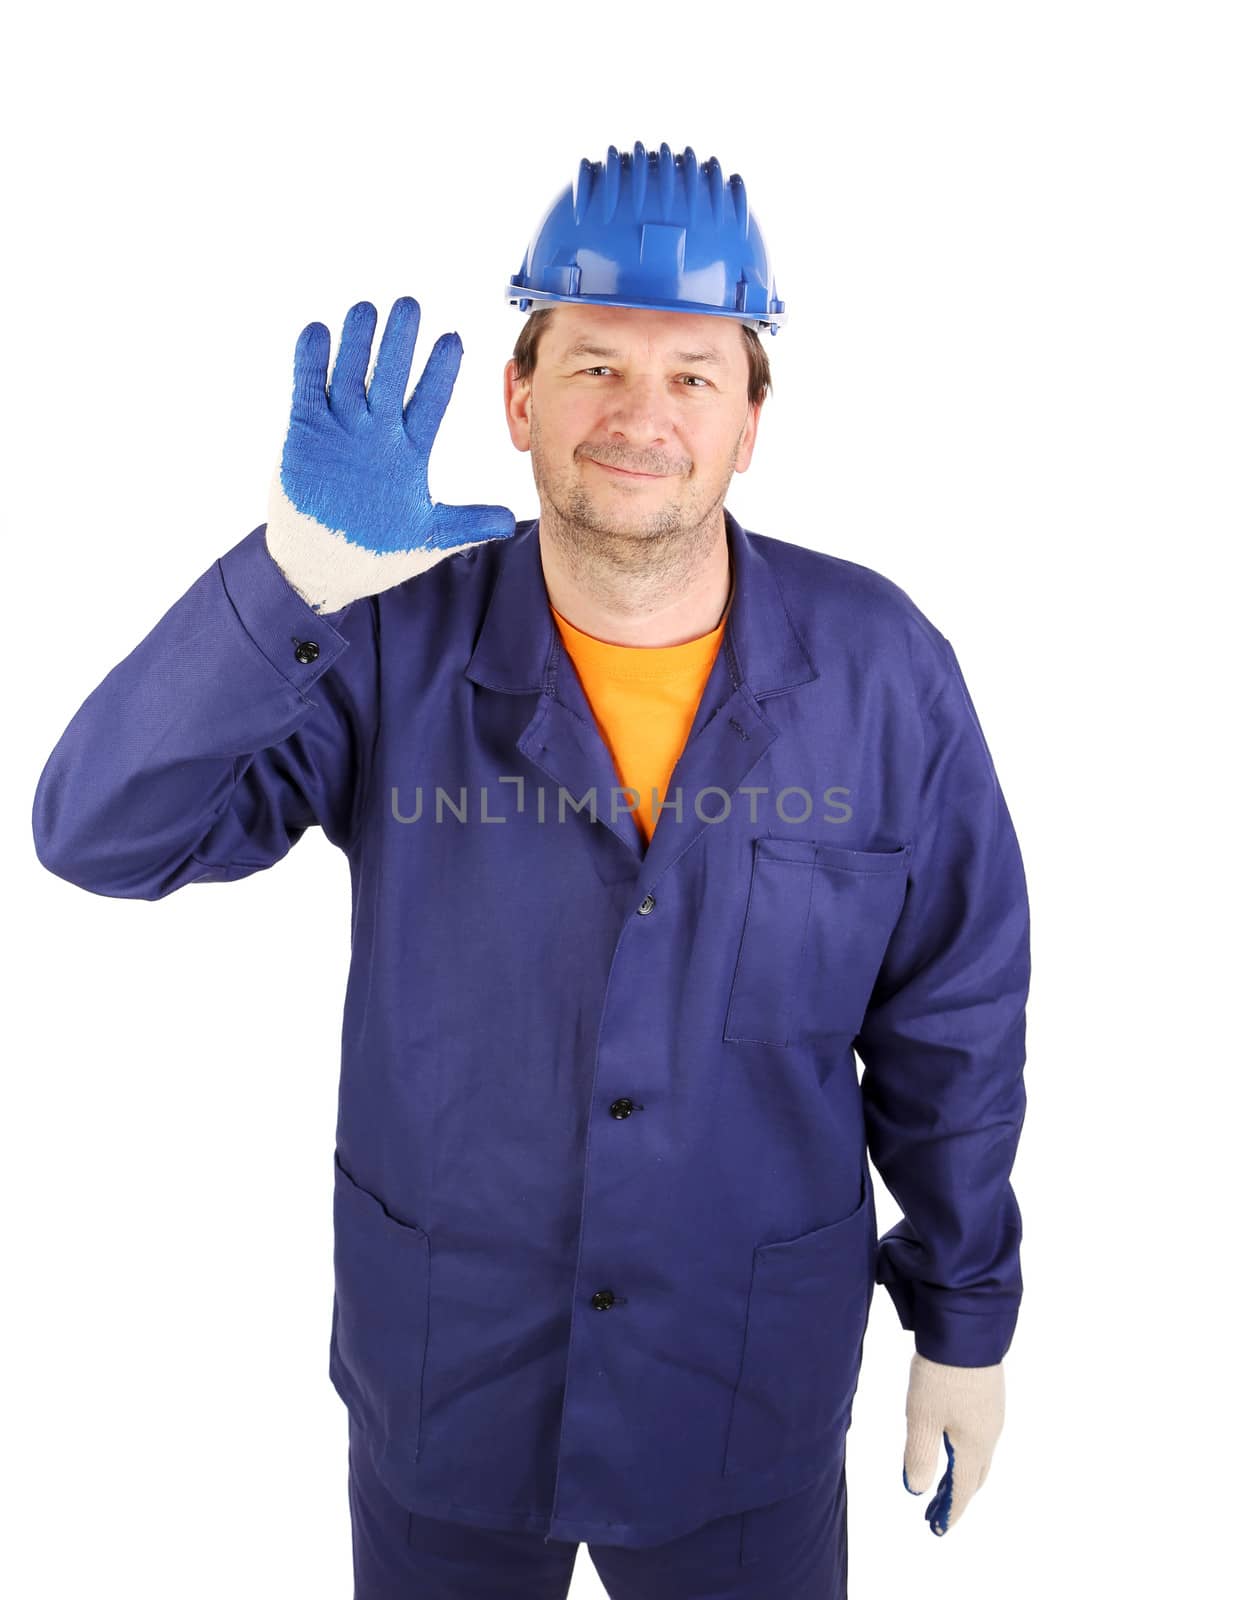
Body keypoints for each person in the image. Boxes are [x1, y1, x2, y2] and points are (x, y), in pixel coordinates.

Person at [31, 141, 1030, 1599]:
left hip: (740, 1394)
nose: (641, 415)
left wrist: (965, 1319)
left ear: (754, 419)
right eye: (592, 367)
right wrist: (289, 577)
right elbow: (98, 833)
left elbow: (955, 1024)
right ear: (517, 398)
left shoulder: (884, 673)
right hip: (451, 1388)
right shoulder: (387, 637)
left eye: (694, 373)